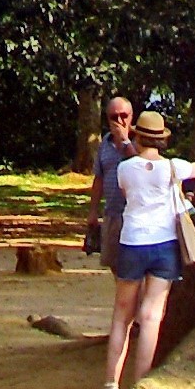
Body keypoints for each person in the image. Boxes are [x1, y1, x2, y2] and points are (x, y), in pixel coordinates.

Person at [91, 112, 195, 389]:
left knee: (122, 316)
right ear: (162, 138)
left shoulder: (124, 169)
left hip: (133, 243)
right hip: (164, 246)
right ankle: (141, 387)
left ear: (137, 136)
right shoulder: (173, 168)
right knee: (151, 317)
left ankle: (110, 387)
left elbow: (126, 193)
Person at [85, 95, 136, 277]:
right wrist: (93, 211)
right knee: (115, 265)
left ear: (131, 116)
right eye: (114, 117)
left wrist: (126, 142)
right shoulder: (104, 144)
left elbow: (142, 167)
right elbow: (99, 178)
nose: (120, 121)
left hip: (135, 215)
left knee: (134, 266)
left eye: (124, 115)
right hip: (112, 213)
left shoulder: (140, 142)